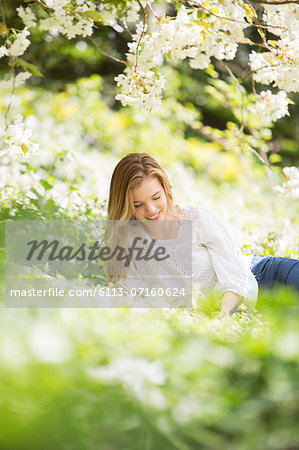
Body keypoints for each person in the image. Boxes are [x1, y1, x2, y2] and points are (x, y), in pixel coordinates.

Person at [105, 152, 299, 314]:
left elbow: (236, 279)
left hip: (261, 274)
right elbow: (132, 299)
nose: (151, 210)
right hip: (241, 309)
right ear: (126, 206)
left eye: (156, 197)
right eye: (138, 205)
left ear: (166, 189)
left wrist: (220, 317)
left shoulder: (196, 218)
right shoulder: (129, 242)